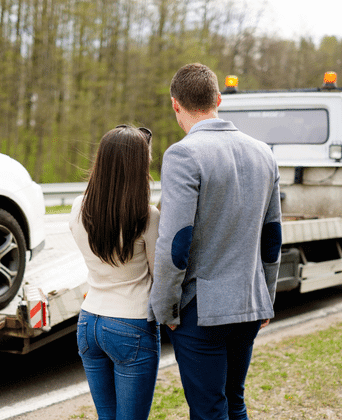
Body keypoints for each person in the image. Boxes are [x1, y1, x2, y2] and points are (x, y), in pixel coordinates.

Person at [149, 63, 282, 420]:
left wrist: (164, 307)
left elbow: (176, 241)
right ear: (218, 99)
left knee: (209, 409)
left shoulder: (183, 154)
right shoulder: (264, 153)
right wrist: (266, 295)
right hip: (250, 302)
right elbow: (272, 235)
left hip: (201, 311)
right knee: (233, 401)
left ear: (176, 105)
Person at [69, 125, 161, 420]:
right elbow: (160, 274)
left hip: (89, 322)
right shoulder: (147, 216)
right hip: (131, 324)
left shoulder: (78, 208)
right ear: (138, 167)